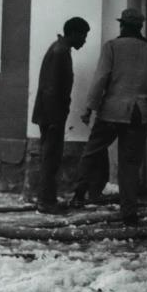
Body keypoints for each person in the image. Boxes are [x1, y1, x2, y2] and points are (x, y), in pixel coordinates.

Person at [71, 8, 147, 224]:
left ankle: (78, 194)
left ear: (123, 26)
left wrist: (88, 108)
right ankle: (128, 211)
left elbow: (101, 78)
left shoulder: (111, 47)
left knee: (92, 151)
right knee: (130, 164)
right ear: (140, 27)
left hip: (110, 111)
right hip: (138, 114)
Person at [31, 16, 90, 213]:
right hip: (52, 115)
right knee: (51, 157)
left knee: (50, 156)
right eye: (83, 35)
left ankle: (46, 198)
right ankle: (46, 202)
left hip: (51, 113)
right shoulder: (60, 52)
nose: (84, 40)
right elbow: (51, 88)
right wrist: (55, 119)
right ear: (73, 33)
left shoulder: (60, 48)